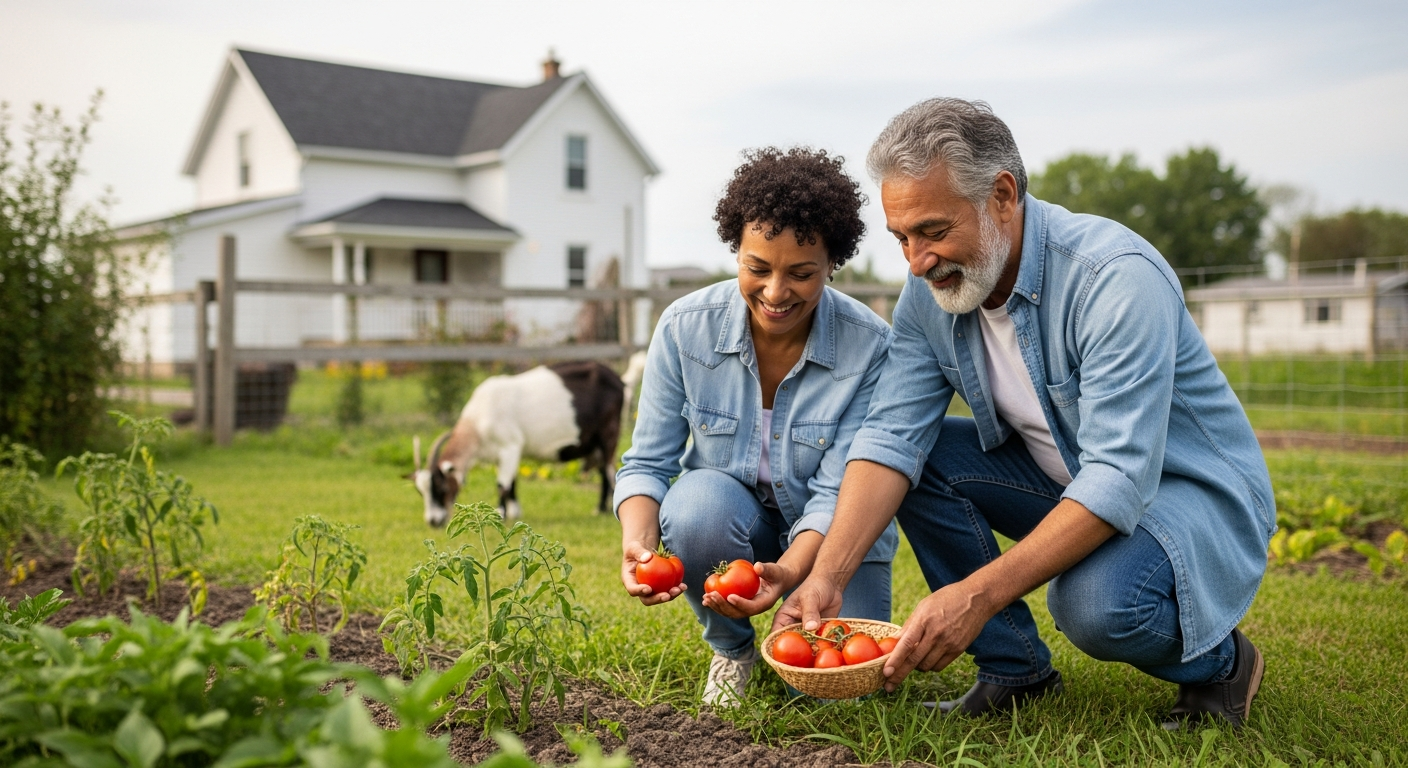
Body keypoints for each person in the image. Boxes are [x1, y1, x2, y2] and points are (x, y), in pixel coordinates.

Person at [777, 99, 1275, 730]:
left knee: (1096, 605)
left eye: (932, 231)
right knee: (922, 458)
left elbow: (1119, 477)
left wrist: (976, 597)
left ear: (1003, 195)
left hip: (1184, 495)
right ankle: (1016, 672)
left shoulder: (1113, 278)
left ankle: (1224, 665)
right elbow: (890, 436)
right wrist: (828, 575)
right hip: (1068, 476)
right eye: (901, 238)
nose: (917, 261)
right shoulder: (931, 292)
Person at [615, 147, 899, 707]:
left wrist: (792, 572)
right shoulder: (683, 330)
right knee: (695, 508)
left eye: (801, 274)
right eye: (757, 268)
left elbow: (840, 491)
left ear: (831, 265)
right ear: (736, 253)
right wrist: (638, 546)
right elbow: (648, 463)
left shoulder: (870, 347)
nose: (774, 292)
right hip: (732, 525)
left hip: (835, 540)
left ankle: (792, 624)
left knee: (843, 693)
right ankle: (733, 650)